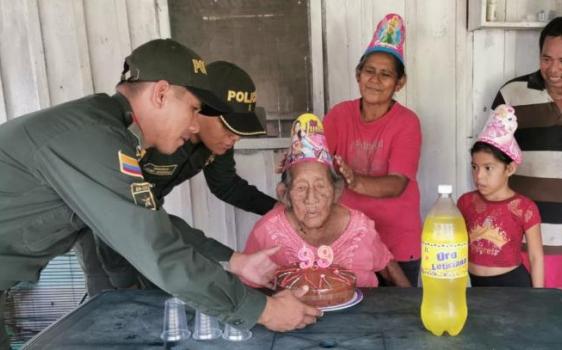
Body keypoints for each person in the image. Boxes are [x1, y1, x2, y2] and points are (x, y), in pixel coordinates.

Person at [0, 39, 320, 350]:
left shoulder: (110, 131)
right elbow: (154, 246)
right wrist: (263, 310)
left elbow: (150, 221)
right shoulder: (94, 139)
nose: (196, 126)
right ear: (161, 94)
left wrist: (234, 261)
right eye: (193, 109)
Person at [76, 60, 278, 295]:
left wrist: (280, 210)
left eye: (240, 131)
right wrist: (122, 279)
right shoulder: (149, 135)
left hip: (147, 219)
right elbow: (113, 211)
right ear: (199, 107)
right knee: (112, 303)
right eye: (228, 127)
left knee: (153, 299)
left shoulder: (216, 142)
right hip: (100, 228)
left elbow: (226, 185)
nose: (234, 138)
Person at [244, 113, 411, 288]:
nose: (311, 198)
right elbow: (245, 290)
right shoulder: (266, 232)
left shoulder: (360, 228)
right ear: (285, 194)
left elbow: (388, 266)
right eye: (301, 188)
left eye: (320, 186)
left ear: (336, 191)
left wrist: (413, 308)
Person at [322, 13, 422, 286]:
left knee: (402, 317)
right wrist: (295, 164)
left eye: (386, 74)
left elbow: (397, 184)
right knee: (352, 318)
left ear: (399, 83)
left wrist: (354, 180)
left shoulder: (407, 122)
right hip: (348, 239)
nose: (375, 80)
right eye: (369, 71)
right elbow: (318, 163)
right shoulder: (339, 116)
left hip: (397, 241)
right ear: (358, 75)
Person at [491, 16, 562, 289]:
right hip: (520, 240)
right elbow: (488, 160)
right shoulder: (512, 94)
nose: (553, 69)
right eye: (546, 59)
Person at [457, 105, 544, 287]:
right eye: (475, 167)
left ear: (509, 169)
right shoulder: (465, 202)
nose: (478, 176)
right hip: (473, 285)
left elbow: (536, 257)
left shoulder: (524, 207)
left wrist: (539, 298)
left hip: (513, 286)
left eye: (488, 168)